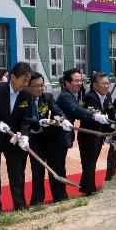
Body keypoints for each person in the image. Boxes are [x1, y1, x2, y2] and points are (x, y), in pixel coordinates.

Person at [0, 62, 32, 215]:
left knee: (16, 173)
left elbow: (26, 119)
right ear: (13, 77)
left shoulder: (26, 95)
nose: (26, 84)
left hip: (13, 140)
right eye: (24, 80)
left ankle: (19, 205)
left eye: (28, 81)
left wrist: (25, 135)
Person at [55, 68, 111, 201]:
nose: (79, 83)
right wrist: (94, 116)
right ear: (66, 83)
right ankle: (59, 197)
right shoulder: (65, 96)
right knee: (58, 167)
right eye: (76, 81)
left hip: (65, 135)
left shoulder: (76, 94)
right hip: (56, 136)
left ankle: (64, 194)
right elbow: (76, 109)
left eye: (81, 80)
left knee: (62, 166)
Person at [25, 72, 73, 204]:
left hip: (49, 138)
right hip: (33, 139)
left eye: (42, 85)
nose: (40, 88)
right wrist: (37, 122)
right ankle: (37, 201)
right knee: (38, 170)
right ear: (28, 86)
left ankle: (60, 197)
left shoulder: (47, 97)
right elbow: (23, 118)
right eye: (36, 86)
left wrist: (63, 120)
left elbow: (57, 110)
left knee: (56, 167)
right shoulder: (23, 99)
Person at [77, 72, 113, 195]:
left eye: (108, 83)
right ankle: (89, 190)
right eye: (104, 83)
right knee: (89, 163)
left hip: (99, 135)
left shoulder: (108, 95)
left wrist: (114, 120)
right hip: (88, 135)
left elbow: (110, 110)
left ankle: (85, 187)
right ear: (95, 85)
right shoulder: (89, 97)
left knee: (92, 162)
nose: (107, 86)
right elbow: (94, 115)